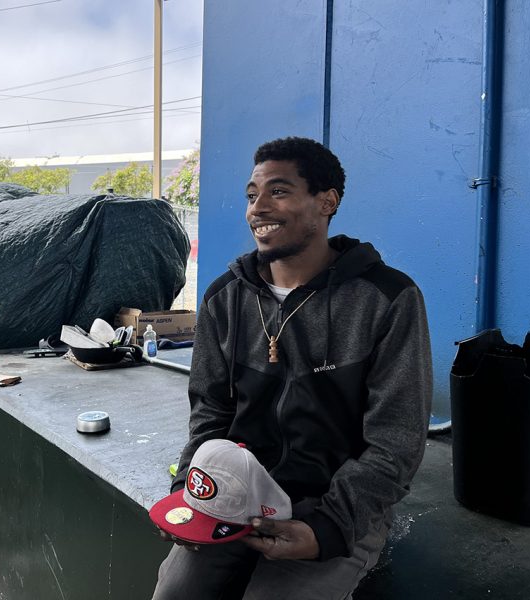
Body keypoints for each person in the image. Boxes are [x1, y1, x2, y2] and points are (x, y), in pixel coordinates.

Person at [151, 137, 432, 599]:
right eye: (251, 195)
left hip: (333, 507)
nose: (258, 207)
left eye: (278, 191)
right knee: (175, 593)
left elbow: (396, 442)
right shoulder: (226, 297)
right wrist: (192, 491)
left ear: (327, 202)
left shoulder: (387, 299)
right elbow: (209, 414)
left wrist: (328, 527)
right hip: (232, 498)